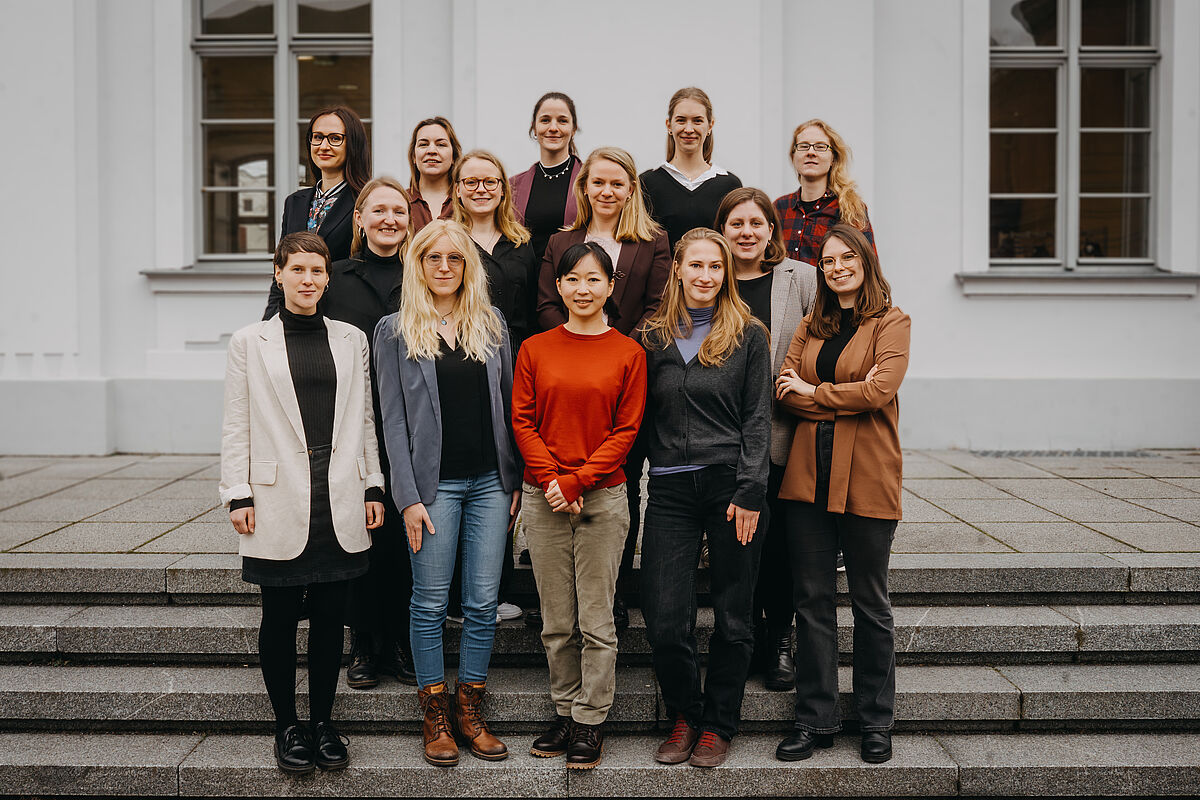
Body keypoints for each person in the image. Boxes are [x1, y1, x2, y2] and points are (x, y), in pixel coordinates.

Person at [220, 231, 384, 774]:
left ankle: (323, 722)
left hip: (337, 489)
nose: (309, 280)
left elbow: (363, 419)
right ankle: (286, 724)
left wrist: (372, 484)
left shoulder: (351, 339)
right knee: (281, 614)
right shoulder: (249, 341)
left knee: (332, 616)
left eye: (317, 271)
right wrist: (236, 493)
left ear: (326, 278)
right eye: (298, 271)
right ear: (279, 273)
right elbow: (236, 423)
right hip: (275, 493)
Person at [373, 219, 521, 767]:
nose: (443, 267)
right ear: (418, 264)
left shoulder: (491, 322)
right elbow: (391, 420)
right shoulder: (394, 330)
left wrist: (515, 482)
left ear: (467, 267)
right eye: (432, 257)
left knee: (482, 604)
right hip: (432, 487)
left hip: (489, 482)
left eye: (454, 259)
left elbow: (510, 408)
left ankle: (470, 709)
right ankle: (434, 711)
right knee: (431, 602)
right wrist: (406, 497)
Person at [773, 224, 909, 765]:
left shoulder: (891, 322)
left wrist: (816, 393)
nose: (836, 267)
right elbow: (785, 389)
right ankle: (815, 718)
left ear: (865, 261)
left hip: (868, 476)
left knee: (871, 604)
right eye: (827, 261)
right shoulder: (812, 322)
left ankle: (876, 720)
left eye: (846, 257)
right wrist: (831, 397)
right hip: (808, 478)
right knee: (812, 602)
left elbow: (880, 391)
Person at [638, 228, 771, 769]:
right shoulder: (653, 336)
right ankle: (686, 714)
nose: (706, 276)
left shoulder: (749, 335)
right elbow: (637, 416)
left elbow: (759, 418)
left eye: (715, 267)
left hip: (730, 487)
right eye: (696, 266)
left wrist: (750, 490)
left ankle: (719, 726)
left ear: (726, 273)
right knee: (666, 617)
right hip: (670, 486)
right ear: (678, 271)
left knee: (734, 616)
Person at [513, 241, 647, 770]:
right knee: (555, 620)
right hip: (543, 496)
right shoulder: (535, 349)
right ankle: (565, 711)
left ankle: (590, 720)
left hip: (602, 496)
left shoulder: (628, 353)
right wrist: (552, 480)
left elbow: (627, 429)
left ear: (611, 287)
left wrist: (578, 481)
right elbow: (522, 420)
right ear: (559, 286)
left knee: (596, 617)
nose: (583, 289)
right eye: (573, 280)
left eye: (594, 280)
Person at [535, 146, 669, 630]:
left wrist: (615, 350)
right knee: (560, 469)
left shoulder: (652, 240)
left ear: (630, 188)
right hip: (566, 379)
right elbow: (548, 304)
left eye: (617, 183)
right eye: (598, 183)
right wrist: (576, 347)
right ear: (584, 187)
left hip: (623, 373)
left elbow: (657, 306)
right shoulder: (560, 240)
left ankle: (610, 593)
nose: (607, 191)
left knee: (622, 479)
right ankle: (557, 591)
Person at [715, 187, 818, 692]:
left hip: (780, 433)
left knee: (778, 545)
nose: (747, 233)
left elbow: (825, 338)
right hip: (718, 437)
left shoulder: (800, 278)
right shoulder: (709, 278)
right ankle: (743, 637)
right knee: (735, 547)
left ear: (771, 230)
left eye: (756, 223)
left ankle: (779, 639)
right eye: (736, 224)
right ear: (722, 230)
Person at [321, 176, 417, 691]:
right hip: (352, 424)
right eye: (378, 210)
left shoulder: (423, 275)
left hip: (411, 427)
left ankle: (400, 643)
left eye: (398, 211)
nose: (389, 220)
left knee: (404, 540)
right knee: (360, 536)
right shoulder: (335, 278)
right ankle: (362, 643)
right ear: (358, 218)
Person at [263, 106, 371, 318]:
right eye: (318, 137)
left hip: (343, 316)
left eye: (335, 138)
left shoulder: (366, 201)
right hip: (294, 316)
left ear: (353, 144)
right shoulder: (294, 202)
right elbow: (282, 268)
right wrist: (269, 322)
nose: (324, 146)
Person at [452, 149, 538, 351]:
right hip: (464, 350)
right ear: (457, 190)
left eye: (490, 182)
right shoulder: (450, 242)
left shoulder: (521, 243)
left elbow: (532, 308)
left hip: (516, 353)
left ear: (502, 190)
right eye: (471, 182)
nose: (481, 189)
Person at [640, 87, 742, 250]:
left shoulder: (730, 185)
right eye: (681, 120)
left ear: (710, 125)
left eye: (697, 120)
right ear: (669, 125)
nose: (688, 129)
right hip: (664, 275)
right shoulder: (647, 183)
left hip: (714, 275)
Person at [773, 119, 875, 267]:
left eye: (820, 147)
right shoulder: (779, 208)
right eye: (803, 146)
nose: (811, 152)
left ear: (833, 158)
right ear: (793, 156)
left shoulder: (850, 208)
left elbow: (869, 267)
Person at [511, 92, 584, 266]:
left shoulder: (589, 181)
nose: (553, 127)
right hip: (526, 284)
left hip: (572, 283)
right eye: (545, 120)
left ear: (573, 129)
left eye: (562, 120)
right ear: (534, 128)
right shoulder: (513, 186)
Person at [407, 117, 462, 233]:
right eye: (423, 144)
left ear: (453, 156)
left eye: (441, 144)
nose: (431, 150)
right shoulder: (400, 201)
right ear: (413, 156)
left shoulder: (466, 200)